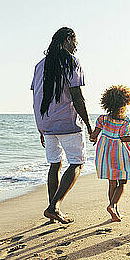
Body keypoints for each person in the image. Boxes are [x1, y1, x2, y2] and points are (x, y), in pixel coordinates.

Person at [31, 27, 93, 224]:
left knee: (55, 164)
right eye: (75, 42)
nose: (76, 47)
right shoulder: (71, 61)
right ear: (68, 39)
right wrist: (89, 126)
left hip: (46, 122)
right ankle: (53, 207)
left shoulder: (40, 65)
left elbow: (35, 98)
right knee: (77, 162)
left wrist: (40, 126)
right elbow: (77, 96)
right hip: (67, 122)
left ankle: (53, 211)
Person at [89, 86, 130, 222]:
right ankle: (113, 206)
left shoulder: (102, 119)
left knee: (112, 183)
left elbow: (94, 135)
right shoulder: (125, 121)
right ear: (125, 104)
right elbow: (123, 138)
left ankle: (114, 211)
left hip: (105, 152)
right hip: (119, 153)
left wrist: (92, 136)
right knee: (122, 182)